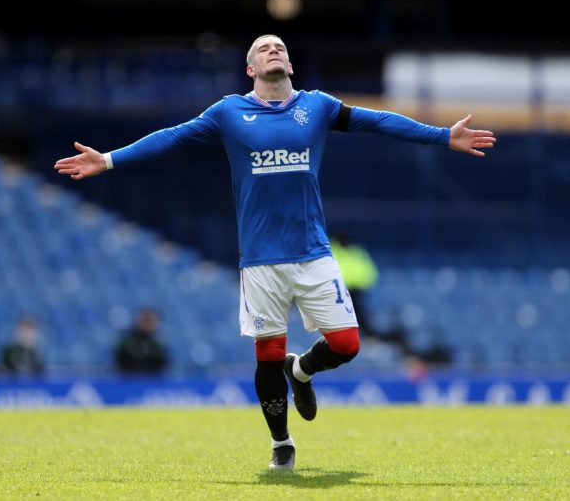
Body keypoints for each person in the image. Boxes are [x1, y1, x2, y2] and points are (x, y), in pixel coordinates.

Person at [54, 34, 495, 470]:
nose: (274, 50)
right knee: (266, 355)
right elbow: (172, 137)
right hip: (261, 259)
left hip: (314, 252)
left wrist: (442, 136)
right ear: (250, 69)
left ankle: (300, 370)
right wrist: (108, 160)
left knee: (347, 345)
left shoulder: (316, 106)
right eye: (264, 48)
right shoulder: (228, 112)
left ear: (290, 64)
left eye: (280, 46)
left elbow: (378, 121)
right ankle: (281, 442)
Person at [330, 233, 379, 339]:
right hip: (335, 289)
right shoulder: (329, 251)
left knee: (357, 314)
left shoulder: (357, 252)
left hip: (355, 290)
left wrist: (360, 285)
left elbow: (369, 272)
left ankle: (363, 336)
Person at [115, 308, 168, 374]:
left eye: (151, 321)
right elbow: (121, 362)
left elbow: (162, 364)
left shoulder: (158, 343)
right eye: (146, 321)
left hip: (152, 381)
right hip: (130, 380)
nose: (149, 324)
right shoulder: (127, 340)